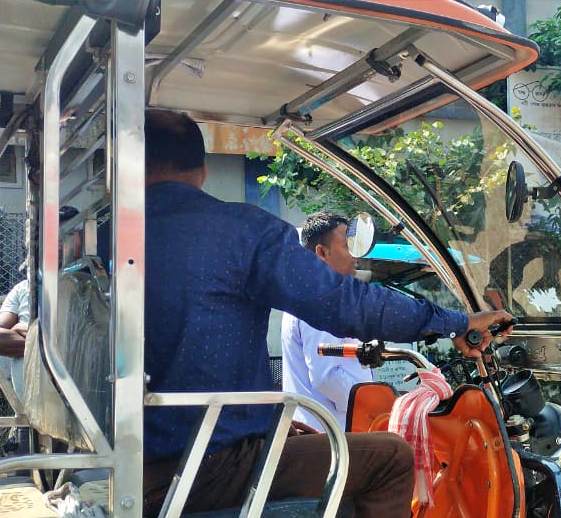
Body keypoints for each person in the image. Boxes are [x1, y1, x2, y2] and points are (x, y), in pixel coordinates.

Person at [140, 109, 513, 517]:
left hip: (138, 463)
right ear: (203, 169)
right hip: (208, 466)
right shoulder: (239, 231)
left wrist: (268, 425)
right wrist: (458, 322)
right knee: (390, 456)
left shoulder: (108, 233)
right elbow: (347, 305)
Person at [281, 212, 373, 431]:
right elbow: (327, 377)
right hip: (330, 435)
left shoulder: (308, 295)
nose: (355, 257)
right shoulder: (320, 299)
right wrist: (378, 402)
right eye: (348, 247)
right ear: (322, 252)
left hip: (326, 430)